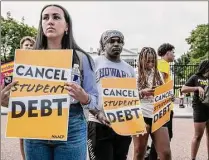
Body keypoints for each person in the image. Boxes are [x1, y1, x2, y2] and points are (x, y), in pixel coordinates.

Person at [23, 4, 99, 160]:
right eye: (45, 18)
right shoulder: (27, 59)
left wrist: (84, 97)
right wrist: (5, 101)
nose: (50, 21)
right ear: (41, 25)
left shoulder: (82, 58)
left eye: (56, 17)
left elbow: (96, 101)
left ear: (67, 26)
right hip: (34, 127)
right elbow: (18, 96)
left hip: (71, 127)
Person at [87, 30, 135, 160]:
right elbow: (85, 93)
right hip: (98, 122)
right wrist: (97, 113)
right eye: (111, 41)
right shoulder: (93, 63)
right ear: (104, 44)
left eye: (119, 41)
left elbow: (132, 98)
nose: (116, 44)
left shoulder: (129, 69)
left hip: (122, 124)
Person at [133, 47, 171, 160]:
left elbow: (164, 92)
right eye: (148, 60)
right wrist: (141, 93)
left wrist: (169, 96)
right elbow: (127, 97)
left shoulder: (158, 74)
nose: (150, 63)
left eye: (152, 61)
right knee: (139, 151)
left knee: (165, 153)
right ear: (141, 60)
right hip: (141, 115)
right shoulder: (134, 73)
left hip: (158, 114)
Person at [149, 43, 175, 160]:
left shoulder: (159, 64)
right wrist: (168, 96)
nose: (174, 55)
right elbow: (162, 83)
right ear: (167, 52)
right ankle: (152, 157)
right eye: (173, 52)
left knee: (162, 136)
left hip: (162, 106)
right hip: (164, 107)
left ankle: (153, 156)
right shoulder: (163, 64)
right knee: (165, 137)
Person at [181, 60, 209, 160]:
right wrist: (197, 88)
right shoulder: (195, 77)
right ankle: (193, 158)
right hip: (200, 108)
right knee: (198, 136)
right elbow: (183, 89)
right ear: (206, 67)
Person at [19, 36, 36, 160]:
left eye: (31, 45)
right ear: (21, 47)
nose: (29, 47)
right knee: (21, 136)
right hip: (21, 105)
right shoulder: (15, 65)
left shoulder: (40, 64)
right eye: (26, 45)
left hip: (36, 105)